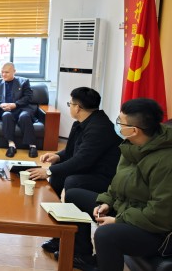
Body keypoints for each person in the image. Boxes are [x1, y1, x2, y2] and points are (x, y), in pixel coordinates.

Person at [61, 98, 172, 271]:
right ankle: (83, 255)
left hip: (154, 231)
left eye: (120, 122)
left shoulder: (166, 162)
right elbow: (116, 183)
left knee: (106, 235)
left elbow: (161, 214)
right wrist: (106, 202)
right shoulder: (131, 146)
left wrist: (119, 220)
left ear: (134, 130)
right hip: (128, 211)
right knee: (74, 194)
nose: (117, 125)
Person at [29, 87, 122, 254]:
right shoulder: (81, 123)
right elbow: (72, 151)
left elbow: (82, 160)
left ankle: (78, 243)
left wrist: (48, 171)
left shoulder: (99, 128)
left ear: (78, 107)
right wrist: (57, 156)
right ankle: (59, 232)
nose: (70, 107)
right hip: (90, 169)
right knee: (59, 176)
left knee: (71, 181)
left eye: (70, 104)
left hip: (104, 177)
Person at [0, 62, 38, 158]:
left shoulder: (24, 81)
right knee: (6, 115)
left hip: (22, 108)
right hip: (6, 110)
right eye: (2, 72)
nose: (3, 74)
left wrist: (15, 104)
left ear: (14, 71)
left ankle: (32, 146)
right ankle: (11, 145)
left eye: (6, 72)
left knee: (24, 117)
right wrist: (0, 104)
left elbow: (28, 97)